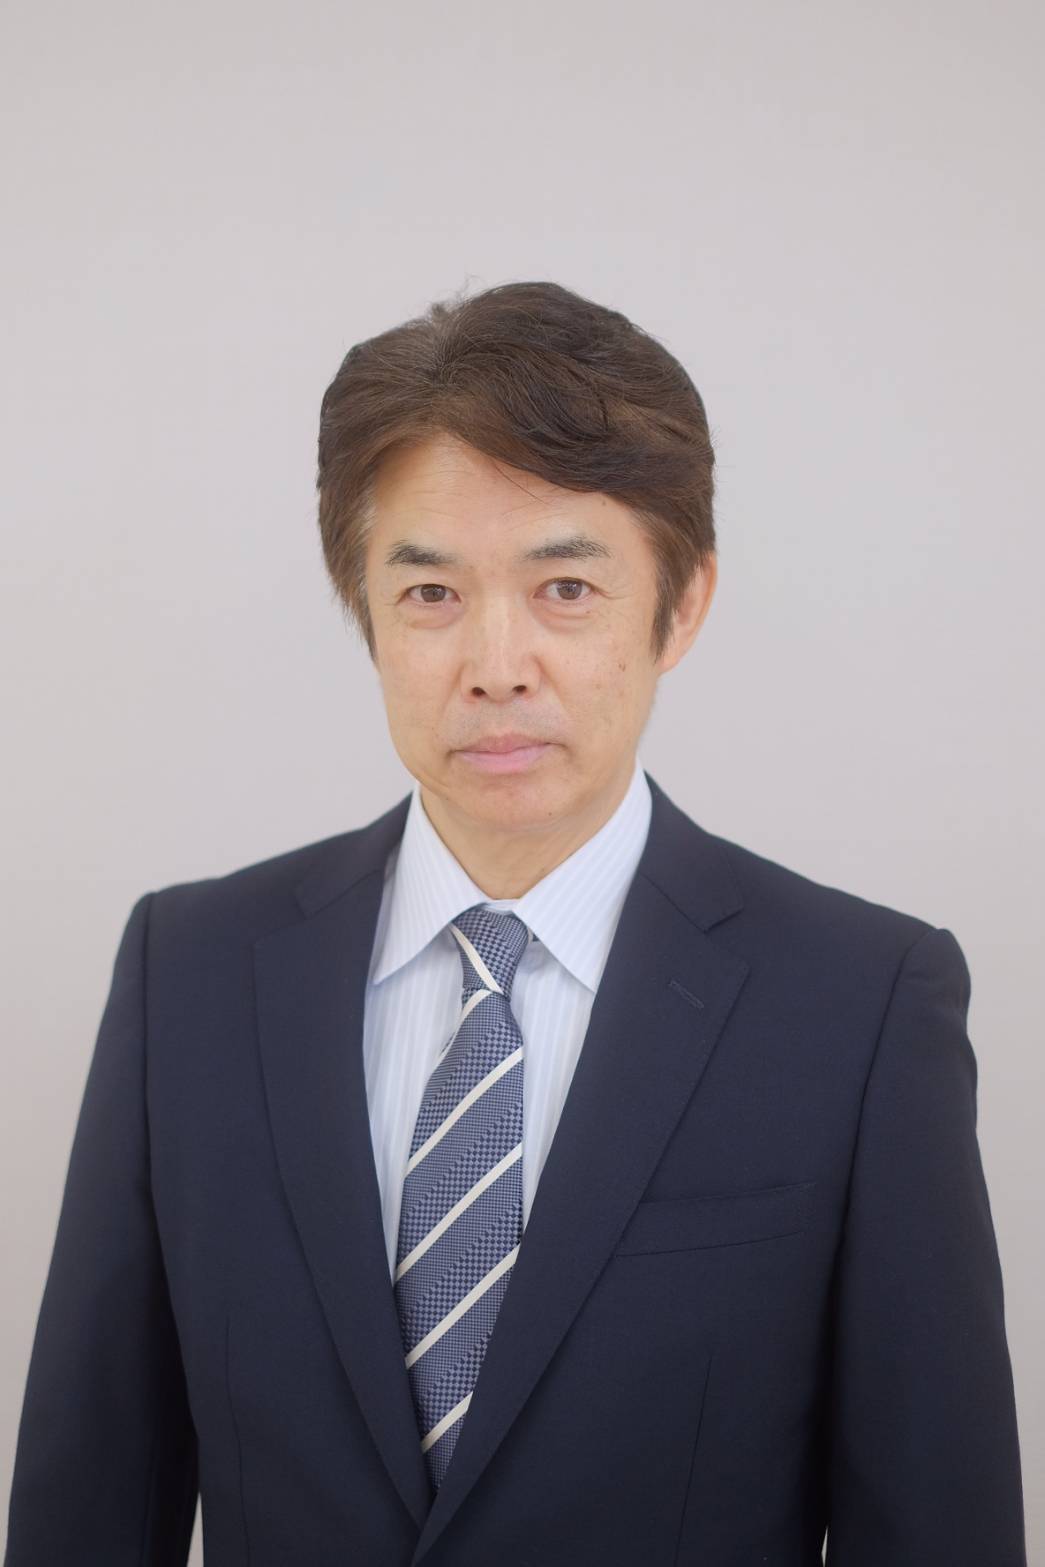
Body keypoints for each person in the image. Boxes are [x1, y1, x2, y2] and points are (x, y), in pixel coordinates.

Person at [5, 280, 1026, 1567]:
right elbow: (87, 1508)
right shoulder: (192, 977)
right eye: (431, 593)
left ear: (681, 605)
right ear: (364, 607)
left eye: (566, 587)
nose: (495, 666)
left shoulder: (860, 1005)